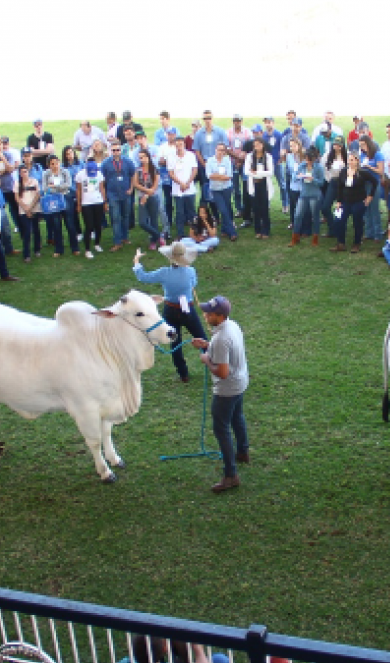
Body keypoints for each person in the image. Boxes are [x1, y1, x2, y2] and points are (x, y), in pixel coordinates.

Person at [191, 295, 249, 494]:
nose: (205, 315)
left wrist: (207, 359)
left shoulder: (220, 338)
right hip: (241, 383)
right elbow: (226, 351)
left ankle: (231, 476)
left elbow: (222, 373)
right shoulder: (232, 326)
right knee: (237, 417)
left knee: (221, 429)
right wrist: (208, 346)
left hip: (226, 390)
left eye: (209, 312)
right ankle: (242, 452)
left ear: (220, 316)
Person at [133, 243, 205, 383]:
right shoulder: (190, 271)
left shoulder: (164, 272)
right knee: (201, 337)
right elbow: (193, 284)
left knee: (175, 341)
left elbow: (143, 277)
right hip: (188, 309)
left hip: (170, 310)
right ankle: (214, 365)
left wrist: (136, 261)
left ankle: (183, 374)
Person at [331, 152, 378, 253]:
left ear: (357, 161)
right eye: (349, 160)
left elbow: (375, 181)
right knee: (339, 221)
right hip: (345, 201)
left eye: (352, 160)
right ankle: (341, 243)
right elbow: (340, 187)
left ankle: (356, 243)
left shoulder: (362, 173)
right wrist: (339, 201)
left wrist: (370, 196)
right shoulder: (343, 172)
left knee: (357, 222)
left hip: (358, 201)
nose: (350, 162)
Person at [43, 155, 80, 257]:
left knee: (70, 224)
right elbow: (45, 188)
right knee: (56, 225)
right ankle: (59, 249)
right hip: (54, 200)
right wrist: (58, 188)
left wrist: (54, 186)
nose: (55, 166)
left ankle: (75, 248)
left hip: (65, 198)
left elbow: (68, 185)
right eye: (52, 164)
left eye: (56, 163)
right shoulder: (46, 174)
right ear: (49, 165)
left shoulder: (65, 172)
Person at [102, 142, 136, 251]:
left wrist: (131, 188)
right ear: (110, 151)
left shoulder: (127, 161)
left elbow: (133, 174)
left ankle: (125, 237)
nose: (116, 152)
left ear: (121, 150)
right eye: (113, 150)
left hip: (126, 193)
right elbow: (102, 180)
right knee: (115, 218)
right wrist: (105, 196)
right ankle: (117, 242)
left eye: (117, 150)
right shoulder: (105, 163)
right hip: (112, 195)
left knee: (126, 216)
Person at [290, 146, 326, 247]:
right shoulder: (302, 165)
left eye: (309, 160)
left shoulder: (318, 168)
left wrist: (312, 179)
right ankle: (295, 236)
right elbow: (295, 176)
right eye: (306, 159)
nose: (307, 162)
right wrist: (299, 176)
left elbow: (321, 183)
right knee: (297, 215)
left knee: (315, 216)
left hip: (315, 195)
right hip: (304, 194)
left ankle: (315, 238)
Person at [166, 136, 199, 240]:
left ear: (184, 144)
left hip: (190, 188)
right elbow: (171, 173)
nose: (179, 147)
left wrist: (188, 182)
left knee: (191, 212)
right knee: (179, 212)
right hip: (177, 189)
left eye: (181, 144)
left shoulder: (191, 155)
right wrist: (181, 183)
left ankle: (194, 232)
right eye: (177, 145)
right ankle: (180, 234)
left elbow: (194, 170)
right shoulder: (170, 157)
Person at [75, 157, 107, 258]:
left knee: (98, 225)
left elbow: (102, 188)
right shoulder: (80, 175)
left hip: (98, 202)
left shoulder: (99, 174)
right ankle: (87, 249)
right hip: (86, 203)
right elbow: (79, 190)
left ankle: (97, 244)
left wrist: (105, 202)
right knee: (89, 226)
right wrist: (79, 204)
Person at [133, 149, 164, 250]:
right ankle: (159, 236)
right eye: (140, 157)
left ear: (148, 157)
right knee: (142, 222)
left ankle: (153, 241)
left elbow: (155, 186)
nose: (142, 159)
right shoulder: (138, 170)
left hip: (152, 197)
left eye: (144, 157)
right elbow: (135, 184)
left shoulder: (154, 169)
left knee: (154, 220)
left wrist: (147, 195)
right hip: (142, 197)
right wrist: (146, 191)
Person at [244, 138, 275, 239]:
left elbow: (270, 172)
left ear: (263, 145)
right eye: (255, 145)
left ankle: (266, 230)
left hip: (264, 184)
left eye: (258, 144)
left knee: (264, 208)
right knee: (255, 208)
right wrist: (254, 173)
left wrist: (256, 173)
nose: (256, 147)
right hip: (254, 184)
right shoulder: (249, 156)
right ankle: (257, 230)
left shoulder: (268, 157)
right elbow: (246, 171)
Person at [205, 143, 237, 239]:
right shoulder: (210, 161)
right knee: (222, 210)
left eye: (223, 150)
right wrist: (221, 176)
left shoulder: (227, 161)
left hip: (227, 188)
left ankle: (224, 229)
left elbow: (229, 176)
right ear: (215, 150)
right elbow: (209, 175)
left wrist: (216, 175)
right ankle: (232, 232)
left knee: (227, 208)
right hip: (215, 189)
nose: (220, 152)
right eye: (219, 150)